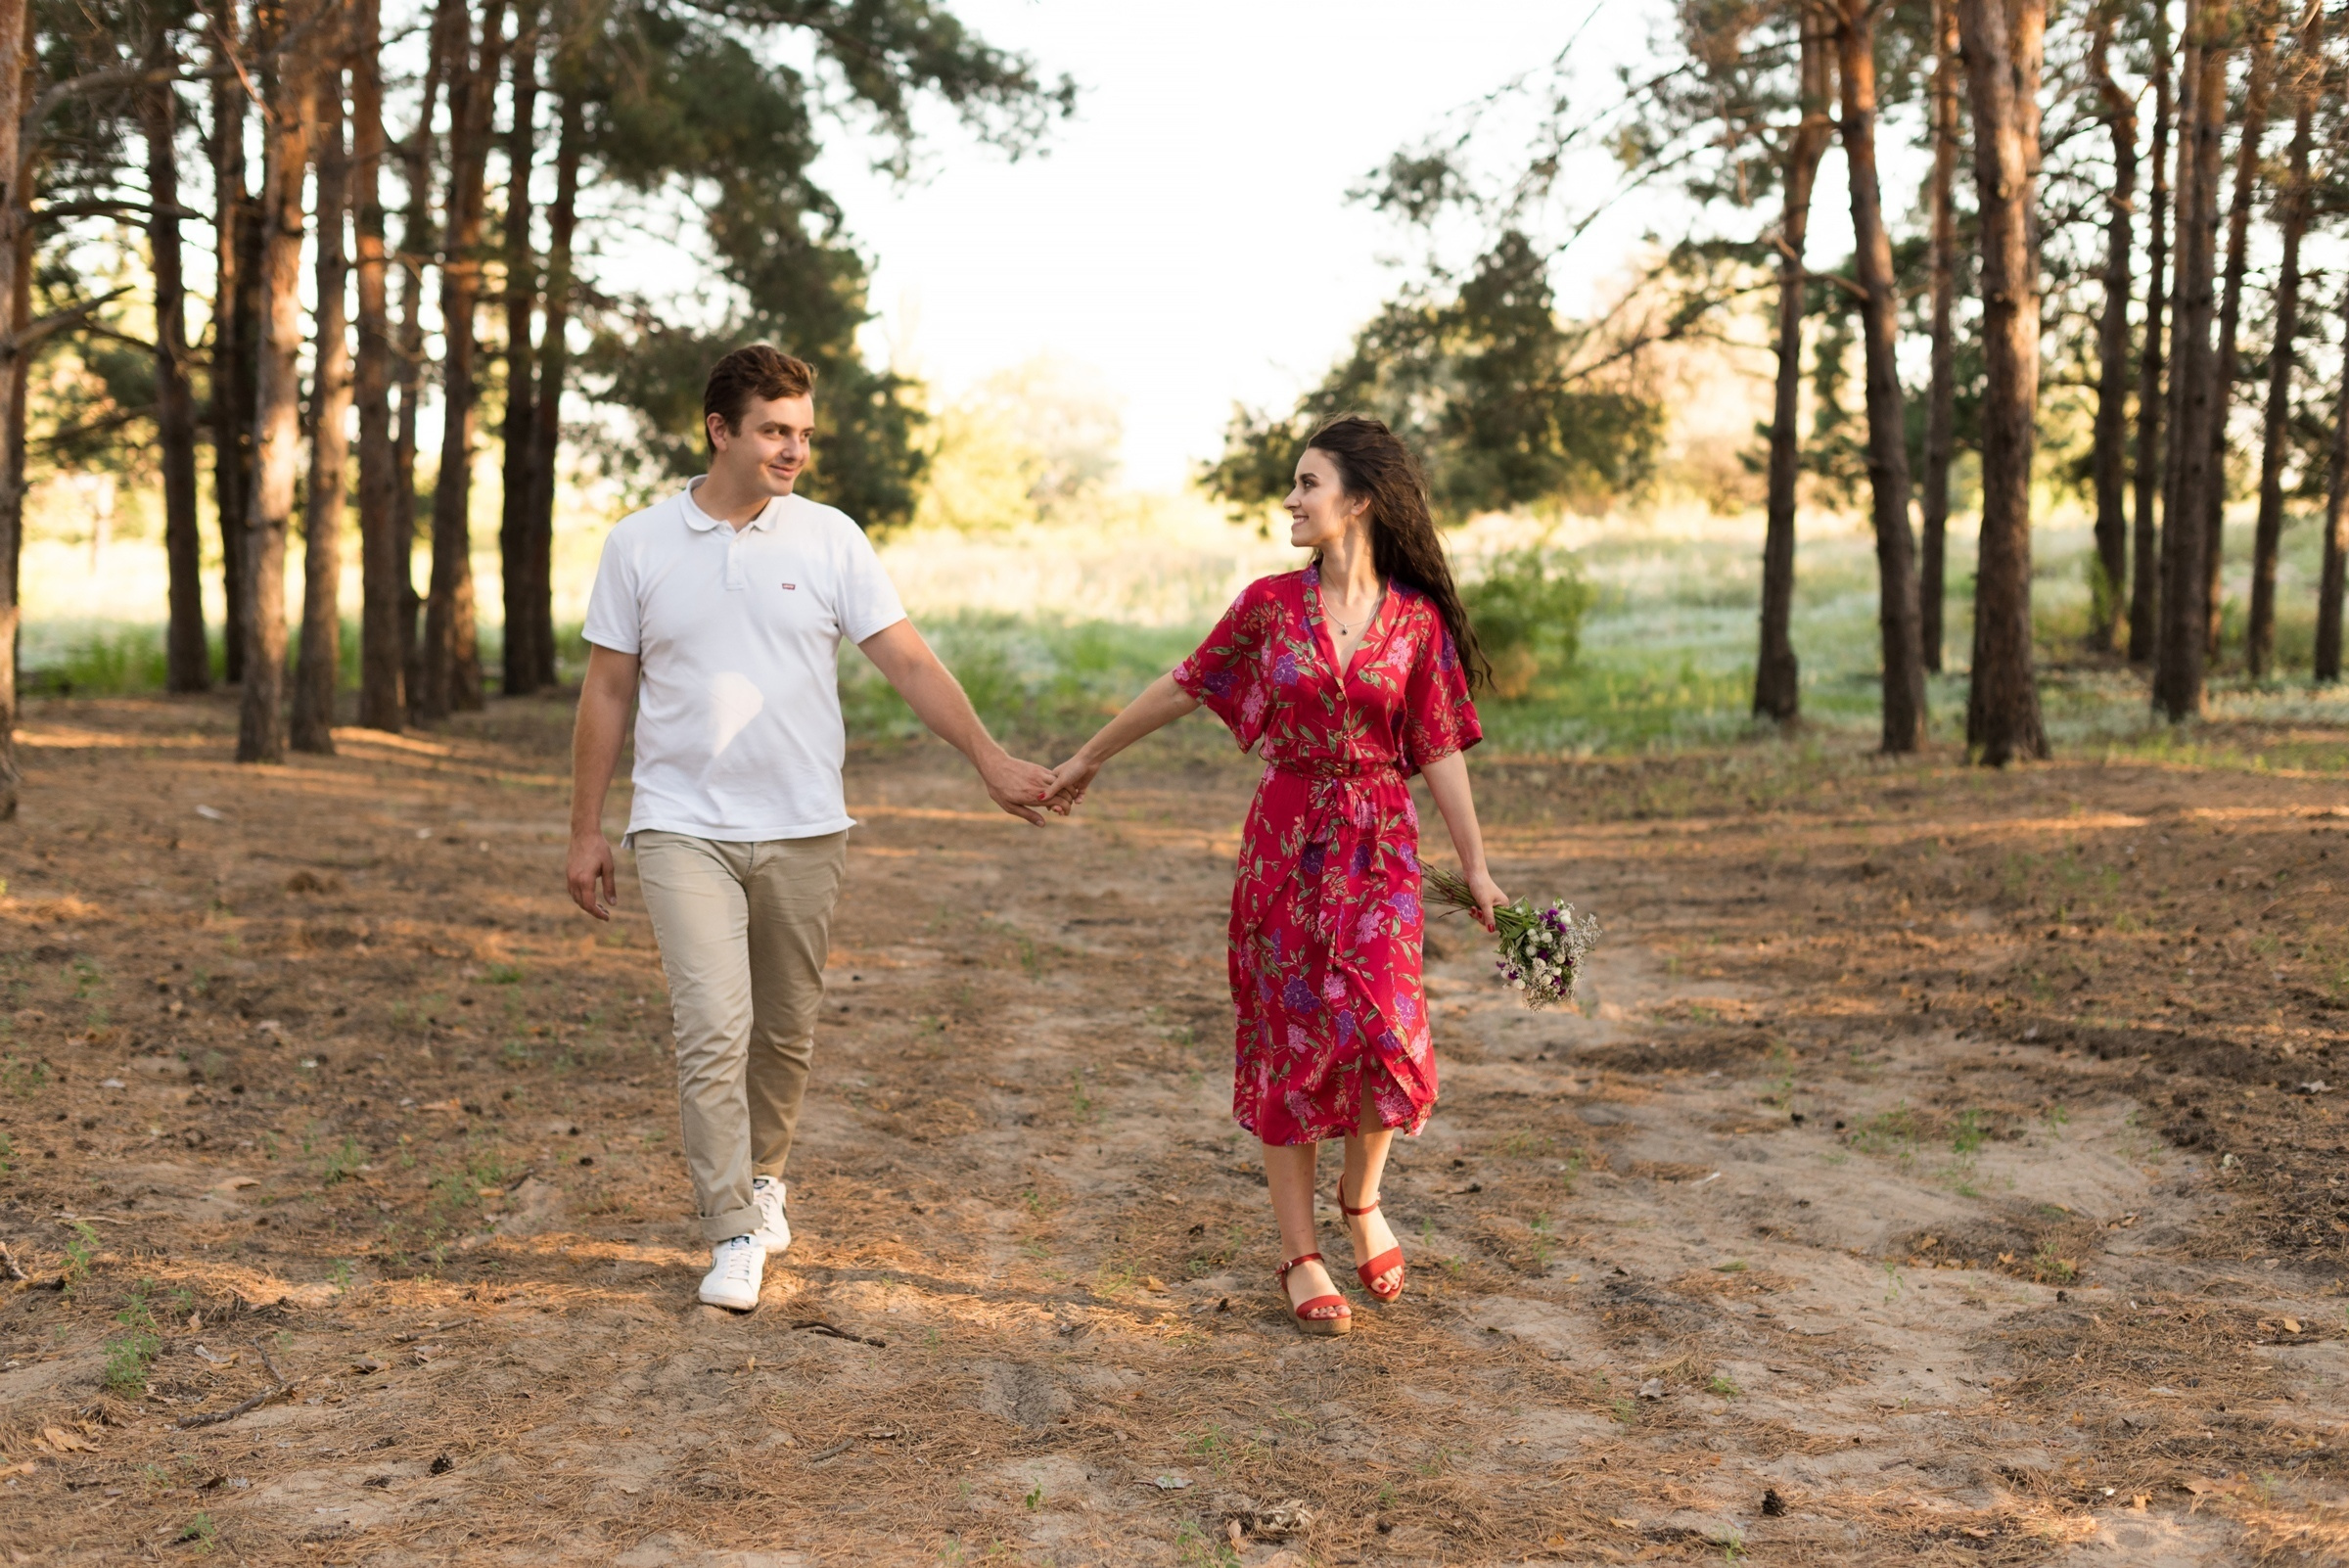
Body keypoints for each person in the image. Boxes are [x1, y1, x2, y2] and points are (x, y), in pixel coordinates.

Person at [567, 345, 1056, 1312]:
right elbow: (607, 689)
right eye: (775, 432)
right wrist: (586, 829)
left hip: (803, 826)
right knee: (713, 1027)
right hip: (680, 826)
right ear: (722, 430)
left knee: (784, 1032)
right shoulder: (639, 544)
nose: (794, 451)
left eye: (803, 435)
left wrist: (990, 759)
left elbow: (909, 663)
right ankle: (734, 1230)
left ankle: (767, 1177)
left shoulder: (830, 539)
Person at [1045, 414, 1505, 1336]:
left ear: (1358, 501)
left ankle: (1361, 1197)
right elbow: (1185, 683)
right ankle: (1298, 1253)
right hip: (1287, 842)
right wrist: (1089, 757)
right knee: (1287, 1040)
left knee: (1390, 1031)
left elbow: (1441, 744)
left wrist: (1478, 868)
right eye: (1293, 485)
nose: (1290, 500)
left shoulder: (1415, 622)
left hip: (1379, 845)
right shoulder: (1267, 606)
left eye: (1307, 484)